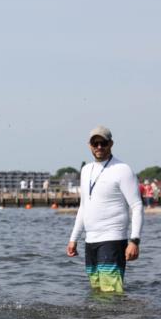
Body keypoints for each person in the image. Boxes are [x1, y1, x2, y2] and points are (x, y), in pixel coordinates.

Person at [66, 126, 143, 294]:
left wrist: (134, 240)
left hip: (113, 239)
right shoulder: (86, 170)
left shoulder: (122, 169)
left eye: (103, 143)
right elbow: (84, 206)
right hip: (90, 241)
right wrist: (74, 238)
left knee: (110, 293)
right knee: (97, 292)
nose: (99, 147)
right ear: (90, 145)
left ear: (111, 144)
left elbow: (136, 206)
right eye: (95, 143)